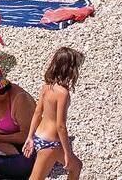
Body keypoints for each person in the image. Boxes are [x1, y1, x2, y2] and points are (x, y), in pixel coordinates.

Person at [23, 47, 83, 180]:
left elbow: (38, 113)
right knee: (74, 166)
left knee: (77, 166)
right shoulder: (63, 93)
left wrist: (30, 137)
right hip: (50, 142)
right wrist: (68, 152)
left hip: (39, 136)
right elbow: (61, 125)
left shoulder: (46, 87)